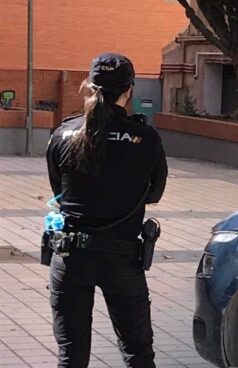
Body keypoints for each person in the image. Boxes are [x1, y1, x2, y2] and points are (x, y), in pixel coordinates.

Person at [46, 53, 167, 367]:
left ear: (89, 86)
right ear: (129, 90)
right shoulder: (146, 139)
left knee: (71, 357)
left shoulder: (63, 135)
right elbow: (154, 193)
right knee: (138, 354)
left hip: (71, 257)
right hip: (123, 259)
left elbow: (59, 191)